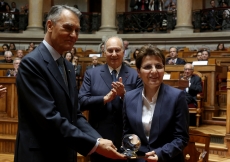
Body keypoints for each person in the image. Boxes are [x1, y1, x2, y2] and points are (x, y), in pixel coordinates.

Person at [14, 5, 126, 162]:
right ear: (50, 26)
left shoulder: (67, 66)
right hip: (40, 155)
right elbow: (48, 117)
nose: (74, 35)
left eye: (77, 30)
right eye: (68, 28)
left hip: (65, 152)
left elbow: (75, 114)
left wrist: (98, 139)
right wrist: (94, 144)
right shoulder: (31, 64)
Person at [79, 35, 143, 162]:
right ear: (104, 52)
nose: (114, 54)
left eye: (117, 50)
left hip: (128, 139)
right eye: (110, 50)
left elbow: (143, 105)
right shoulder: (91, 74)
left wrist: (124, 95)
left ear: (124, 52)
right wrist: (104, 99)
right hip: (99, 138)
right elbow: (81, 101)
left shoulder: (135, 75)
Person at [123, 44, 189, 162]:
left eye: (158, 66)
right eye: (148, 67)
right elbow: (127, 135)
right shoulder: (129, 97)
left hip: (167, 158)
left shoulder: (177, 97)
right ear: (138, 72)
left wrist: (160, 154)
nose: (154, 71)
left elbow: (181, 138)